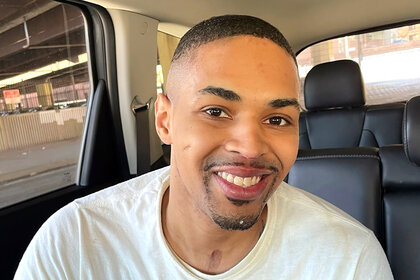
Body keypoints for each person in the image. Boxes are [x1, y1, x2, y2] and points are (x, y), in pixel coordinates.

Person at [14, 15, 393, 279]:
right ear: (165, 121)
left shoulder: (349, 258)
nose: (249, 147)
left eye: (277, 119)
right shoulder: (75, 240)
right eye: (216, 111)